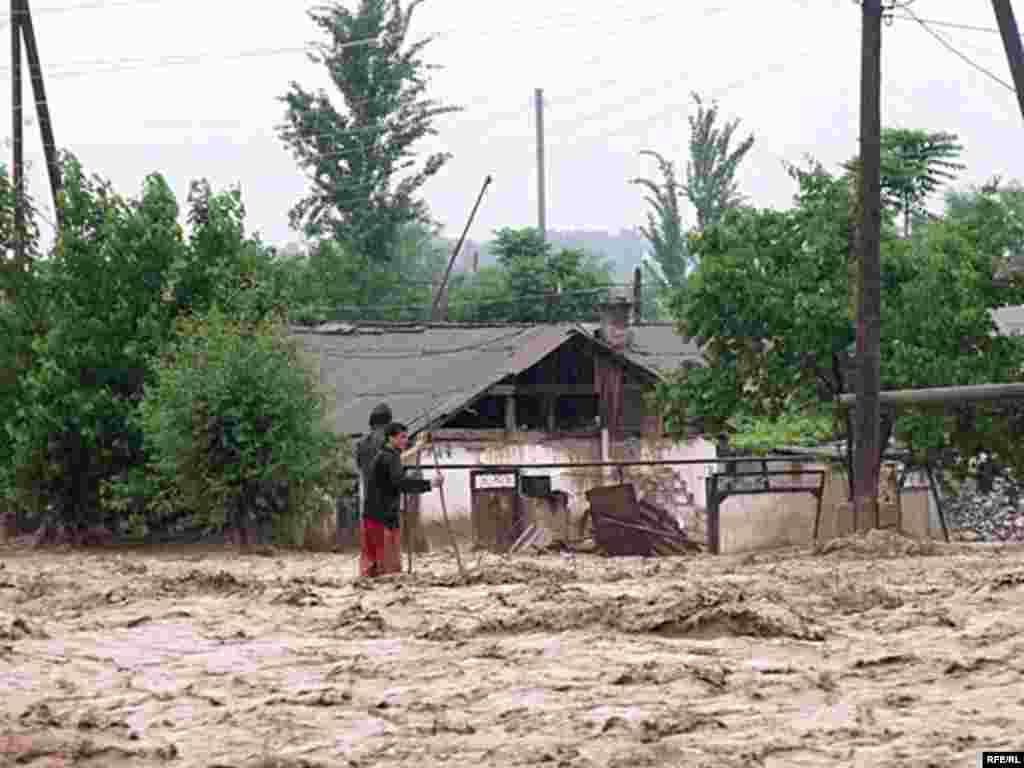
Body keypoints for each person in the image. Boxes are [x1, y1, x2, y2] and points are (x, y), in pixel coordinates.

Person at [361, 422, 443, 577]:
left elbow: (402, 461)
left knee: (373, 570)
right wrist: (430, 483)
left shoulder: (386, 455)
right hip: (383, 518)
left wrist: (419, 447)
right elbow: (401, 483)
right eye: (402, 437)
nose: (406, 440)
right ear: (391, 438)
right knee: (387, 571)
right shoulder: (389, 458)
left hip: (374, 516)